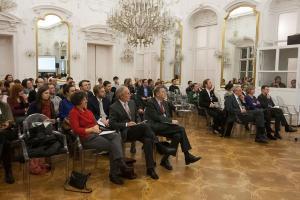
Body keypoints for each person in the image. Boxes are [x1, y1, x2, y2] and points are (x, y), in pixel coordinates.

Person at [109, 86, 176, 179]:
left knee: (148, 139)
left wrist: (139, 122)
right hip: (126, 132)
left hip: (138, 129)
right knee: (146, 126)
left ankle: (150, 169)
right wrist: (126, 124)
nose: (130, 94)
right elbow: (112, 124)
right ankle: (159, 146)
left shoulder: (132, 103)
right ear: (121, 95)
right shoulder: (114, 107)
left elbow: (137, 116)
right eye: (128, 93)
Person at [69, 91, 131, 185]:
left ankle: (120, 163)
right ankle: (115, 172)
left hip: (97, 132)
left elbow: (95, 123)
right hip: (87, 137)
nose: (86, 100)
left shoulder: (88, 111)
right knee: (112, 146)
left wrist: (97, 127)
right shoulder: (73, 113)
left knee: (116, 135)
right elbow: (76, 129)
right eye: (84, 99)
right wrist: (91, 130)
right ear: (79, 101)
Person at [145, 86, 201, 170]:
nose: (165, 93)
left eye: (165, 92)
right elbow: (156, 117)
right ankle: (187, 155)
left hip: (165, 126)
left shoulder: (165, 102)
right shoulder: (151, 102)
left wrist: (170, 118)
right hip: (155, 126)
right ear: (157, 94)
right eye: (163, 92)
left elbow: (171, 113)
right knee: (181, 129)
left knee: (178, 136)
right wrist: (171, 121)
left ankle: (165, 159)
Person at [0, 89, 18, 184]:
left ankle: (8, 172)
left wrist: (8, 123)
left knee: (3, 136)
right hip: (3, 137)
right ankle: (8, 172)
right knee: (5, 143)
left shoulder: (4, 105)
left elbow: (10, 120)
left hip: (6, 131)